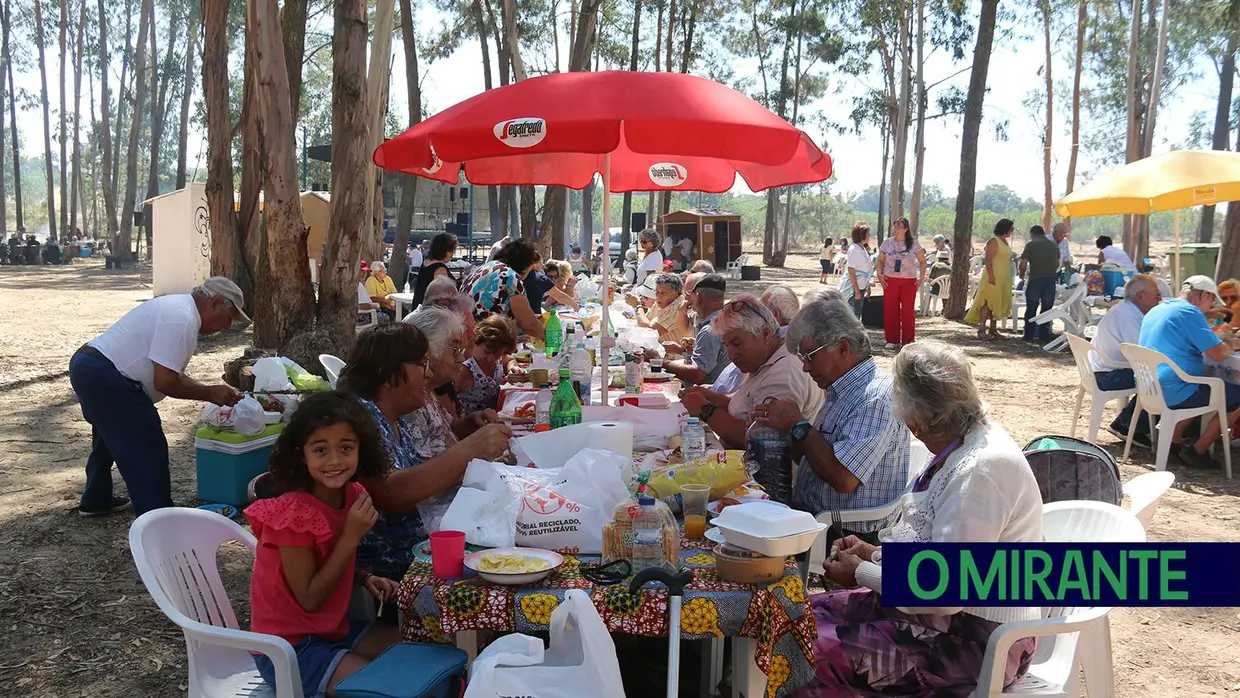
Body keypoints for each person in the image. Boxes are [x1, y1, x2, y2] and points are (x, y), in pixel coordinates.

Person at [790, 341, 1042, 698]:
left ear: (919, 419)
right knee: (793, 616)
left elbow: (947, 591)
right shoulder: (959, 443)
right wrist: (875, 555)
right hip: (936, 620)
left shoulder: (982, 469)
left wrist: (860, 572)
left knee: (812, 653)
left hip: (978, 641)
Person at [244, 392, 402, 697]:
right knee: (390, 689)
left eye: (346, 448)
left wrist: (364, 577)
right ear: (302, 455)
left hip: (333, 629)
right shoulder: (293, 516)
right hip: (289, 650)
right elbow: (309, 599)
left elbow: (328, 558)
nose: (334, 461)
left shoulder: (352, 494)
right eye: (320, 450)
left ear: (361, 449)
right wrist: (351, 536)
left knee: (420, 649)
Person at [338, 323, 510, 580]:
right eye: (421, 364)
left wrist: (470, 438)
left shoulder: (393, 418)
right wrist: (471, 449)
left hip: (422, 550)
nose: (428, 374)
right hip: (391, 573)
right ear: (387, 372)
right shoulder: (360, 420)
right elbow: (392, 492)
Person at [69, 277, 247, 517]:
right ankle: (159, 519)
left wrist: (208, 389)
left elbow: (167, 372)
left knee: (108, 435)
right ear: (214, 303)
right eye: (229, 318)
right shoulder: (182, 317)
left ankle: (96, 499)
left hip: (89, 364)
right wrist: (209, 392)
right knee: (147, 447)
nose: (226, 327)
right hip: (106, 375)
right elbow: (165, 381)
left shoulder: (177, 307)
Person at [752, 298, 910, 547]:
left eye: (809, 356)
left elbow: (843, 479)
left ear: (843, 348)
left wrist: (798, 424)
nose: (804, 367)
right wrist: (780, 429)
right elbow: (814, 458)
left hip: (845, 537)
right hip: (812, 517)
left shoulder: (878, 396)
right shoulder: (841, 390)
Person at [680, 295, 822, 450]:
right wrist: (713, 398)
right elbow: (748, 407)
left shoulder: (784, 374)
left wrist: (705, 409)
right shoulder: (767, 358)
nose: (731, 355)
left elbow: (760, 440)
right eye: (727, 345)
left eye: (737, 343)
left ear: (765, 334)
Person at [1139, 275, 1240, 470]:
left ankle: (1174, 441)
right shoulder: (1189, 312)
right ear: (1204, 295)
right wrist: (1231, 343)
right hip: (1175, 390)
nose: (1209, 307)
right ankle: (1198, 449)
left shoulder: (1158, 308)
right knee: (1232, 393)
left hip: (1148, 386)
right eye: (1211, 300)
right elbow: (1218, 353)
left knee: (1203, 382)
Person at [403, 307, 498, 461]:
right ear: (428, 350)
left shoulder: (429, 391)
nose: (461, 359)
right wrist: (473, 447)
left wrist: (473, 421)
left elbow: (449, 427)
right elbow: (425, 473)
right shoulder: (411, 401)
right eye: (455, 350)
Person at [1088, 273, 1160, 448]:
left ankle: (1131, 422)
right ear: (1140, 296)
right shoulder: (1128, 316)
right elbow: (1142, 354)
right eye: (1156, 294)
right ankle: (1129, 426)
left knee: (1159, 375)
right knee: (1164, 380)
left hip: (1103, 370)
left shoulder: (1124, 310)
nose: (1160, 299)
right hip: (1107, 375)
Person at [462, 238, 545, 339]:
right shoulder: (511, 277)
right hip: (482, 340)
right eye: (531, 268)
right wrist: (551, 340)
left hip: (464, 334)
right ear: (524, 265)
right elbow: (528, 324)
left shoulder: (487, 267)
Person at [664, 274, 730, 387]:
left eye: (691, 295)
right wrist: (684, 350)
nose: (689, 299)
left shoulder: (710, 330)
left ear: (698, 297)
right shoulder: (724, 319)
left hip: (708, 396)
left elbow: (697, 374)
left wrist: (659, 361)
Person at [876, 217, 926, 349]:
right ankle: (892, 339)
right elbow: (880, 260)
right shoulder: (888, 243)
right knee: (890, 309)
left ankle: (908, 340)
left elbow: (922, 261)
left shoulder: (913, 243)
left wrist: (921, 277)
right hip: (890, 280)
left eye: (900, 226)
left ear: (906, 229)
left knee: (908, 311)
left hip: (909, 281)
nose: (897, 229)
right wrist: (879, 274)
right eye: (895, 226)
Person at [965, 219, 1015, 341]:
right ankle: (981, 328)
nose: (1012, 231)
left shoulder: (1004, 242)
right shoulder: (994, 241)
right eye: (1011, 229)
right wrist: (992, 276)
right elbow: (988, 260)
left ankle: (993, 328)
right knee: (987, 302)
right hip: (993, 276)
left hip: (1004, 276)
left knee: (998, 301)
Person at [460, 314, 520, 415]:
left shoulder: (498, 360)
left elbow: (509, 360)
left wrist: (512, 366)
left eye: (497, 355)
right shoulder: (465, 370)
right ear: (476, 340)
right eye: (487, 352)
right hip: (476, 424)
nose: (491, 359)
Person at [1018, 225, 1060, 344]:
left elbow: (1023, 264)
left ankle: (1029, 335)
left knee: (1031, 307)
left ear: (1032, 234)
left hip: (1035, 279)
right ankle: (1044, 335)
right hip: (1050, 280)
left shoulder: (1031, 245)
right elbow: (1057, 264)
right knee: (1046, 309)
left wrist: (1022, 275)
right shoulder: (1053, 245)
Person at [630, 273, 694, 346]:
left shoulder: (677, 306)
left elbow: (649, 331)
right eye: (657, 292)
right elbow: (645, 320)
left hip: (673, 355)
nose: (658, 296)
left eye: (663, 293)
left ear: (675, 294)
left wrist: (638, 306)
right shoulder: (662, 302)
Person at [411, 233, 458, 308]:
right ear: (443, 250)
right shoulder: (440, 270)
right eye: (451, 250)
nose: (453, 254)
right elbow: (443, 298)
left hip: (419, 309)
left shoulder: (426, 262)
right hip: (431, 313)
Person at [839, 221, 874, 319]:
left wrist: (867, 287)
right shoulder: (854, 249)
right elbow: (851, 270)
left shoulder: (863, 249)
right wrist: (856, 289)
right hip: (853, 289)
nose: (869, 236)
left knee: (857, 314)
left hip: (861, 287)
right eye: (867, 234)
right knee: (852, 315)